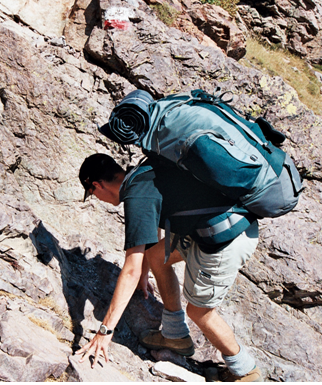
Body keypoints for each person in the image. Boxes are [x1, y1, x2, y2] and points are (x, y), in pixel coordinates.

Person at [75, 153, 262, 382]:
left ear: (97, 185)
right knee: (156, 256)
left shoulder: (136, 196)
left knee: (199, 311)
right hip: (213, 226)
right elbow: (150, 233)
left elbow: (130, 269)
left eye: (93, 194)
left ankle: (247, 371)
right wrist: (145, 271)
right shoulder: (143, 172)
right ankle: (175, 337)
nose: (98, 198)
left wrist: (104, 332)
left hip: (227, 238)